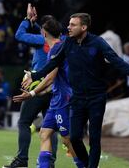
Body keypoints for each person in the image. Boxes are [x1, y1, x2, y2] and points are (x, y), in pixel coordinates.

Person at [23, 13, 129, 168]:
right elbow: (54, 63)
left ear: (84, 27)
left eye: (73, 25)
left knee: (94, 139)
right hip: (77, 98)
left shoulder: (98, 43)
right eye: (69, 24)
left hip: (96, 98)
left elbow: (116, 61)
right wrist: (35, 75)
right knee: (74, 138)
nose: (68, 27)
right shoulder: (68, 43)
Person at [13, 19, 85, 168]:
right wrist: (40, 92)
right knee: (44, 133)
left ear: (44, 33)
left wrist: (32, 93)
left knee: (67, 140)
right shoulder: (59, 45)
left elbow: (50, 78)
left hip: (64, 100)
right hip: (55, 99)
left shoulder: (56, 49)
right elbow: (52, 81)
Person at [3, 3, 57, 168]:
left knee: (24, 122)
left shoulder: (41, 40)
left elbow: (19, 35)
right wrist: (35, 24)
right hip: (54, 87)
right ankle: (49, 162)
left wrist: (28, 20)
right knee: (50, 127)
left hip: (37, 85)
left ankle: (22, 160)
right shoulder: (62, 43)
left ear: (45, 31)